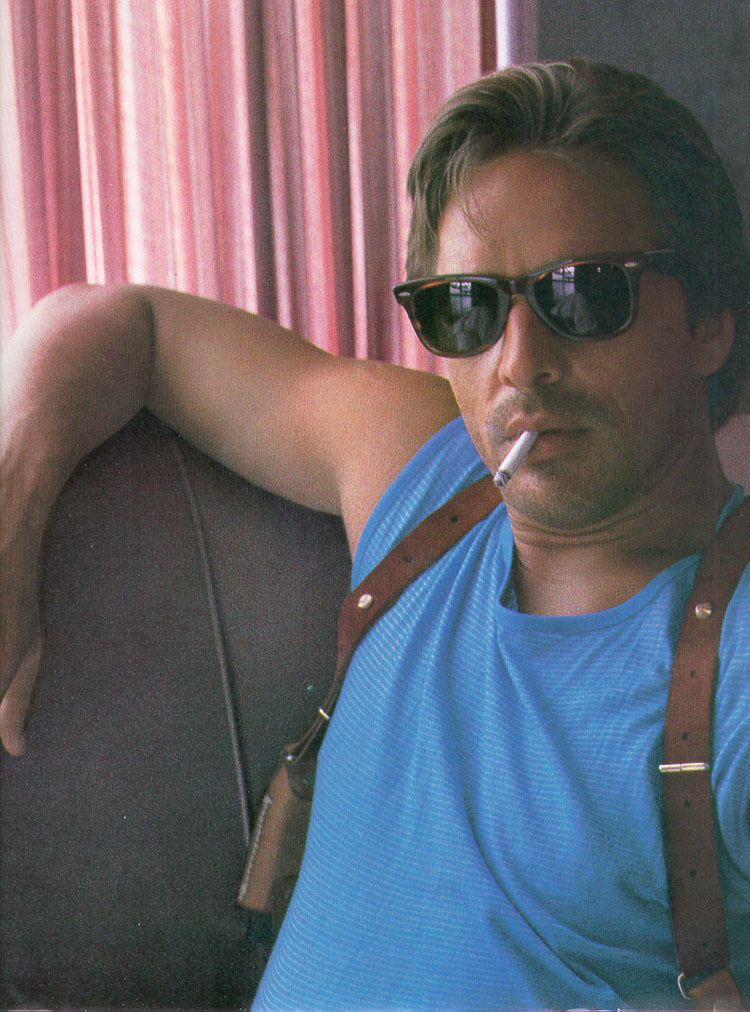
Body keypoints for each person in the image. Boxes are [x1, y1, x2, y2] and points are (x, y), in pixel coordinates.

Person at [1, 58, 748, 1010]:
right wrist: (13, 514)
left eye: (585, 295)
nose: (519, 363)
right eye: (468, 307)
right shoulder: (424, 476)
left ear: (711, 321)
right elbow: (121, 320)